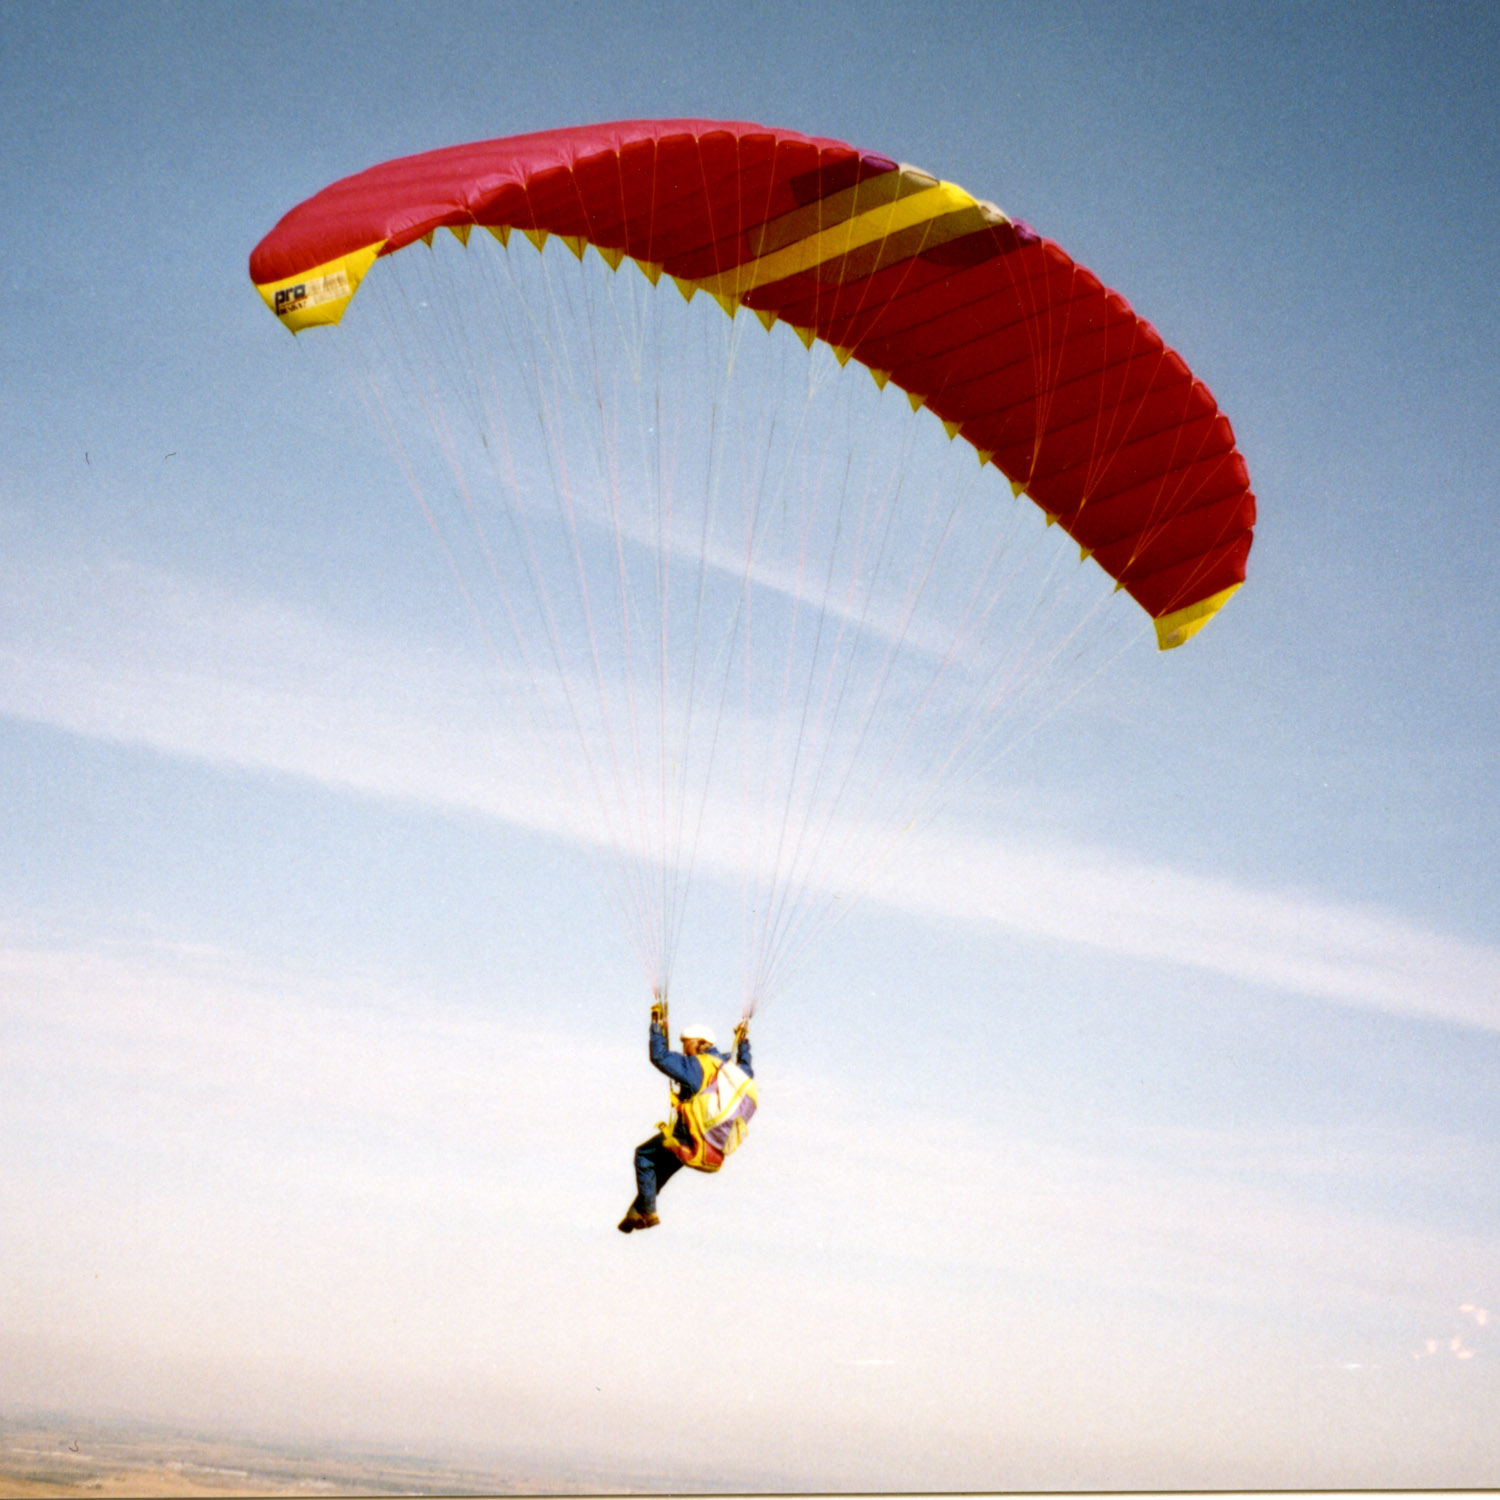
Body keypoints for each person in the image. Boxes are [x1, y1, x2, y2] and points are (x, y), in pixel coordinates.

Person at [618, 1002, 753, 1233]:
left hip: (688, 1135)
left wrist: (657, 1026)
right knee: (657, 1172)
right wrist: (743, 1044)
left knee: (643, 1156)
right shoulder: (726, 1069)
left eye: (686, 1043)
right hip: (709, 1142)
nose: (683, 1048)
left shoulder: (696, 1065)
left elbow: (659, 1057)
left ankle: (648, 1211)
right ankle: (635, 1214)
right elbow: (746, 1071)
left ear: (701, 1044)